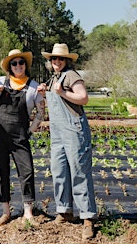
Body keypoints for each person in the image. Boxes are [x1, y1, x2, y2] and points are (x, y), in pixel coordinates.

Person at [40, 43, 97, 240]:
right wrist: (44, 90)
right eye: (53, 59)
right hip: (57, 131)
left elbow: (83, 98)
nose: (56, 62)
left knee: (79, 171)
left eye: (60, 59)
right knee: (59, 170)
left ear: (67, 61)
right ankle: (64, 211)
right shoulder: (53, 78)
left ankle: (87, 218)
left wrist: (63, 93)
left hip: (74, 129)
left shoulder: (72, 76)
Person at [0, 49, 45, 226]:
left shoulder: (34, 87)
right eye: (14, 63)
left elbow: (41, 113)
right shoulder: (1, 81)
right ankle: (5, 212)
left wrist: (30, 131)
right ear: (9, 67)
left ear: (25, 65)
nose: (18, 65)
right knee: (1, 171)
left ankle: (28, 212)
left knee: (27, 170)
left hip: (20, 134)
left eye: (21, 62)